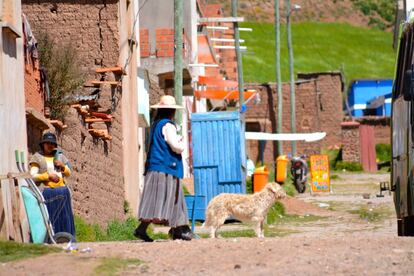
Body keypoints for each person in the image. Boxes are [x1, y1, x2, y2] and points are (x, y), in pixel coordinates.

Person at [134, 95, 193, 242]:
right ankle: (180, 229)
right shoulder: (168, 126)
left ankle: (175, 228)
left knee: (156, 198)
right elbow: (176, 146)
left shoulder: (156, 125)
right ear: (171, 111)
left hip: (155, 167)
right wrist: (181, 142)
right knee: (173, 197)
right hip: (166, 168)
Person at [29, 132, 76, 238]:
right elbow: (33, 176)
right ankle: (50, 238)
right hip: (47, 193)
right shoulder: (37, 157)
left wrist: (63, 166)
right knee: (49, 217)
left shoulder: (60, 157)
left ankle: (65, 238)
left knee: (64, 217)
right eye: (47, 143)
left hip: (62, 192)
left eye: (52, 143)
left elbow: (69, 173)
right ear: (43, 144)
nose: (50, 145)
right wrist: (47, 177)